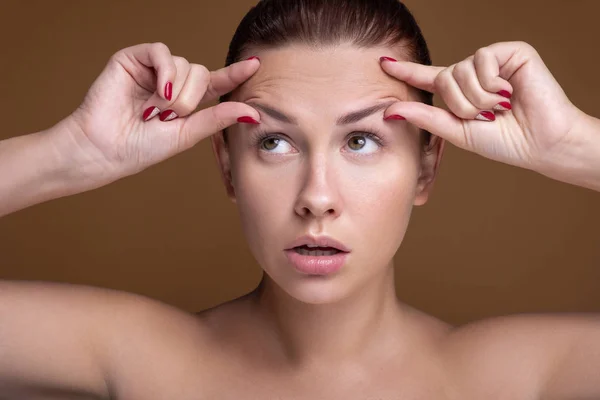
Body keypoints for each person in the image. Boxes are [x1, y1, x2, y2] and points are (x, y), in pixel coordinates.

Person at [1, 0, 599, 398]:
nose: (316, 197)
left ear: (426, 168)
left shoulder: (516, 375)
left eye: (361, 140)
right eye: (276, 141)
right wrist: (72, 151)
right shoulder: (138, 354)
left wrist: (574, 145)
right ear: (228, 168)